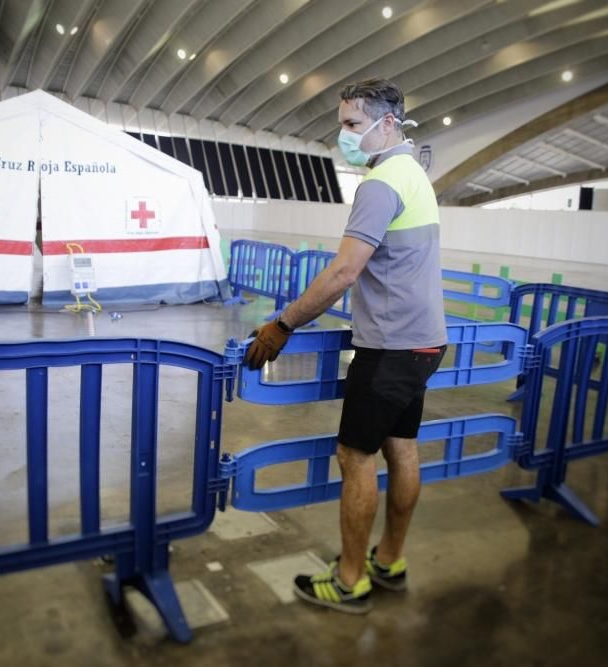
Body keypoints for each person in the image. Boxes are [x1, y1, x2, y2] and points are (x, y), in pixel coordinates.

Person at [243, 78, 447, 614]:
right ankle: (390, 560)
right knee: (401, 448)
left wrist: (282, 324)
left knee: (354, 455)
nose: (344, 136)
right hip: (425, 342)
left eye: (353, 125)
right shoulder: (415, 175)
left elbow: (342, 272)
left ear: (387, 124)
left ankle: (351, 579)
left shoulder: (379, 185)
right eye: (342, 125)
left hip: (390, 345)